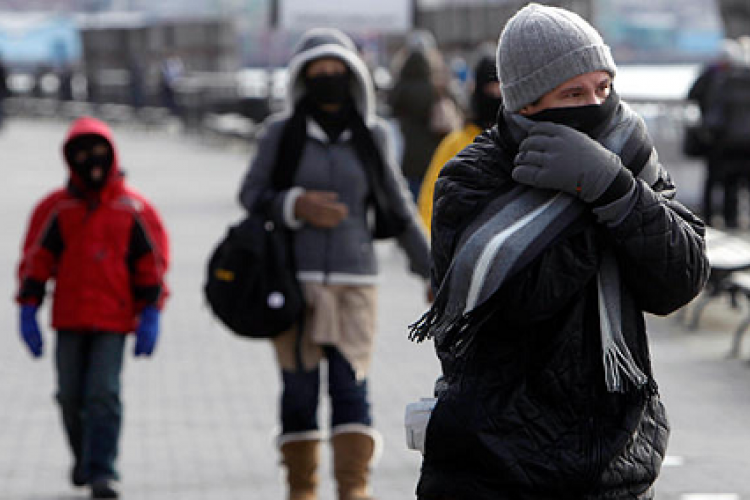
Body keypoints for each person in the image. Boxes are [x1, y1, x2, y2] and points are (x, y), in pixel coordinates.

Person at [409, 4, 709, 499]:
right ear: (527, 102)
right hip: (496, 464)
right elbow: (520, 303)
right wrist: (596, 202)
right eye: (574, 93)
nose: (596, 104)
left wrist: (615, 189)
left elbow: (679, 280)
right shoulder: (471, 177)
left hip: (617, 460)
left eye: (603, 88)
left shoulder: (630, 158)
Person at [238, 28, 430, 500]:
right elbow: (250, 194)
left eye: (337, 71)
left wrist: (432, 273)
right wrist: (294, 204)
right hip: (294, 283)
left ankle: (353, 489)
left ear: (354, 76)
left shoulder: (374, 135)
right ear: (302, 79)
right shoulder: (281, 134)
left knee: (351, 391)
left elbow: (400, 207)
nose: (328, 79)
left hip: (354, 284)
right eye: (317, 72)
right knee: (299, 392)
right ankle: (301, 489)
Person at [15, 116, 170, 499]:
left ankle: (104, 469)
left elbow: (151, 263)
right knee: (70, 395)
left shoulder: (132, 209)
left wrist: (151, 311)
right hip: (68, 317)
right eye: (82, 153)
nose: (92, 160)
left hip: (114, 319)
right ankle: (84, 457)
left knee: (102, 392)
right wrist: (28, 306)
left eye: (98, 151)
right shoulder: (56, 209)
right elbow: (37, 259)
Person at [417, 48, 502, 233]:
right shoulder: (455, 144)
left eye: (500, 86)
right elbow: (430, 197)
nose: (495, 94)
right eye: (490, 87)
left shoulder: (524, 142)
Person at [389, 31, 458, 201]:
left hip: (409, 154)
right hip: (435, 150)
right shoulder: (436, 88)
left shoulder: (400, 89)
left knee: (413, 197)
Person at [687, 38, 746, 227]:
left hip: (719, 139)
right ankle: (731, 218)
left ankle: (711, 216)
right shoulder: (739, 78)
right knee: (735, 181)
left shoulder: (713, 77)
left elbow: (694, 97)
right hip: (743, 140)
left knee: (717, 179)